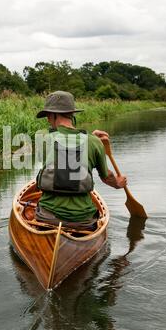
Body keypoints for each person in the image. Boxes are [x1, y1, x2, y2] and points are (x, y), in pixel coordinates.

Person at [35, 91, 127, 230]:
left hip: (47, 219)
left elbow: (65, 139)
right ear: (71, 114)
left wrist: (90, 137)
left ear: (53, 115)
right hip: (84, 222)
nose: (48, 119)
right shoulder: (94, 142)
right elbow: (107, 178)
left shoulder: (41, 136)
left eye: (48, 115)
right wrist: (118, 184)